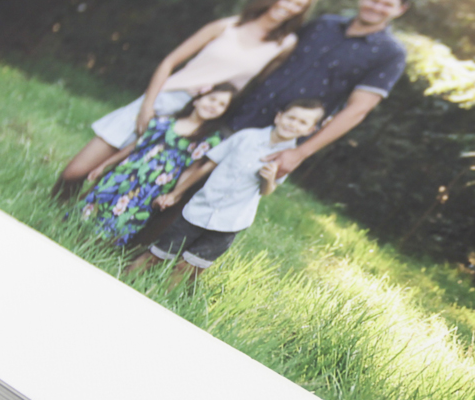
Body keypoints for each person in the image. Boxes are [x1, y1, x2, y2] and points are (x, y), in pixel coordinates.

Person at [54, 0, 317, 199]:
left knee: (131, 176)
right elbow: (170, 61)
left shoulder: (284, 44)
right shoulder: (226, 26)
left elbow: (257, 85)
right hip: (167, 98)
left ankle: (77, 221)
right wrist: (148, 105)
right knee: (74, 172)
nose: (289, 7)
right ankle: (56, 204)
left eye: (298, 7)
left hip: (199, 117)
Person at [224, 0, 411, 178]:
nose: (377, 7)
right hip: (243, 110)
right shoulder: (324, 24)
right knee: (193, 167)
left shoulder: (391, 53)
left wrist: (299, 153)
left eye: (387, 5)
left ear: (400, 10)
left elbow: (358, 110)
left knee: (226, 195)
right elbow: (276, 57)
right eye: (374, 0)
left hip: (281, 136)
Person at [125, 100, 325, 285]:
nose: (293, 124)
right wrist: (177, 193)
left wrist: (269, 179)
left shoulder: (288, 157)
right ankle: (124, 279)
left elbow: (266, 192)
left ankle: (160, 297)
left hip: (231, 221)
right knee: (158, 254)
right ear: (278, 117)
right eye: (291, 118)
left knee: (187, 269)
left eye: (302, 122)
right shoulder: (246, 136)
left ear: (310, 130)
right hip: (200, 208)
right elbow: (207, 166)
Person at [77, 84, 236, 245]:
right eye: (212, 99)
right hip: (124, 174)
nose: (214, 106)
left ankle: (96, 246)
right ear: (197, 99)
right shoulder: (165, 121)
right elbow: (136, 146)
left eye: (222, 105)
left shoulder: (210, 140)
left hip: (150, 190)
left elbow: (192, 170)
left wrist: (175, 194)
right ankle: (74, 233)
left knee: (123, 219)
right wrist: (104, 165)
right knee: (98, 203)